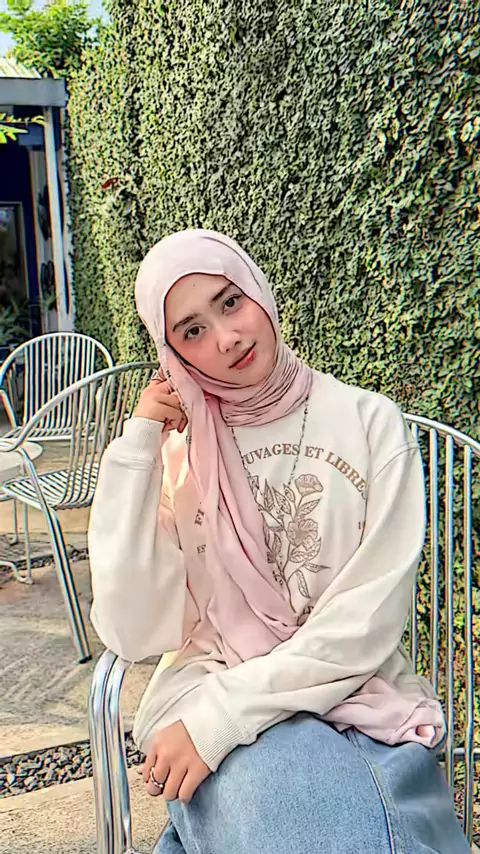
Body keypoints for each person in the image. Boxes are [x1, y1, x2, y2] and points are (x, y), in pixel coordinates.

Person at [88, 229, 471, 853]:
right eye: (192, 330)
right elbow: (131, 631)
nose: (227, 338)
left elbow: (363, 622)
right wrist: (138, 448)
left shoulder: (369, 422)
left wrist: (223, 719)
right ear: (172, 353)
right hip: (211, 686)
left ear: (259, 292)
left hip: (354, 690)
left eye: (230, 302)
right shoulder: (181, 453)